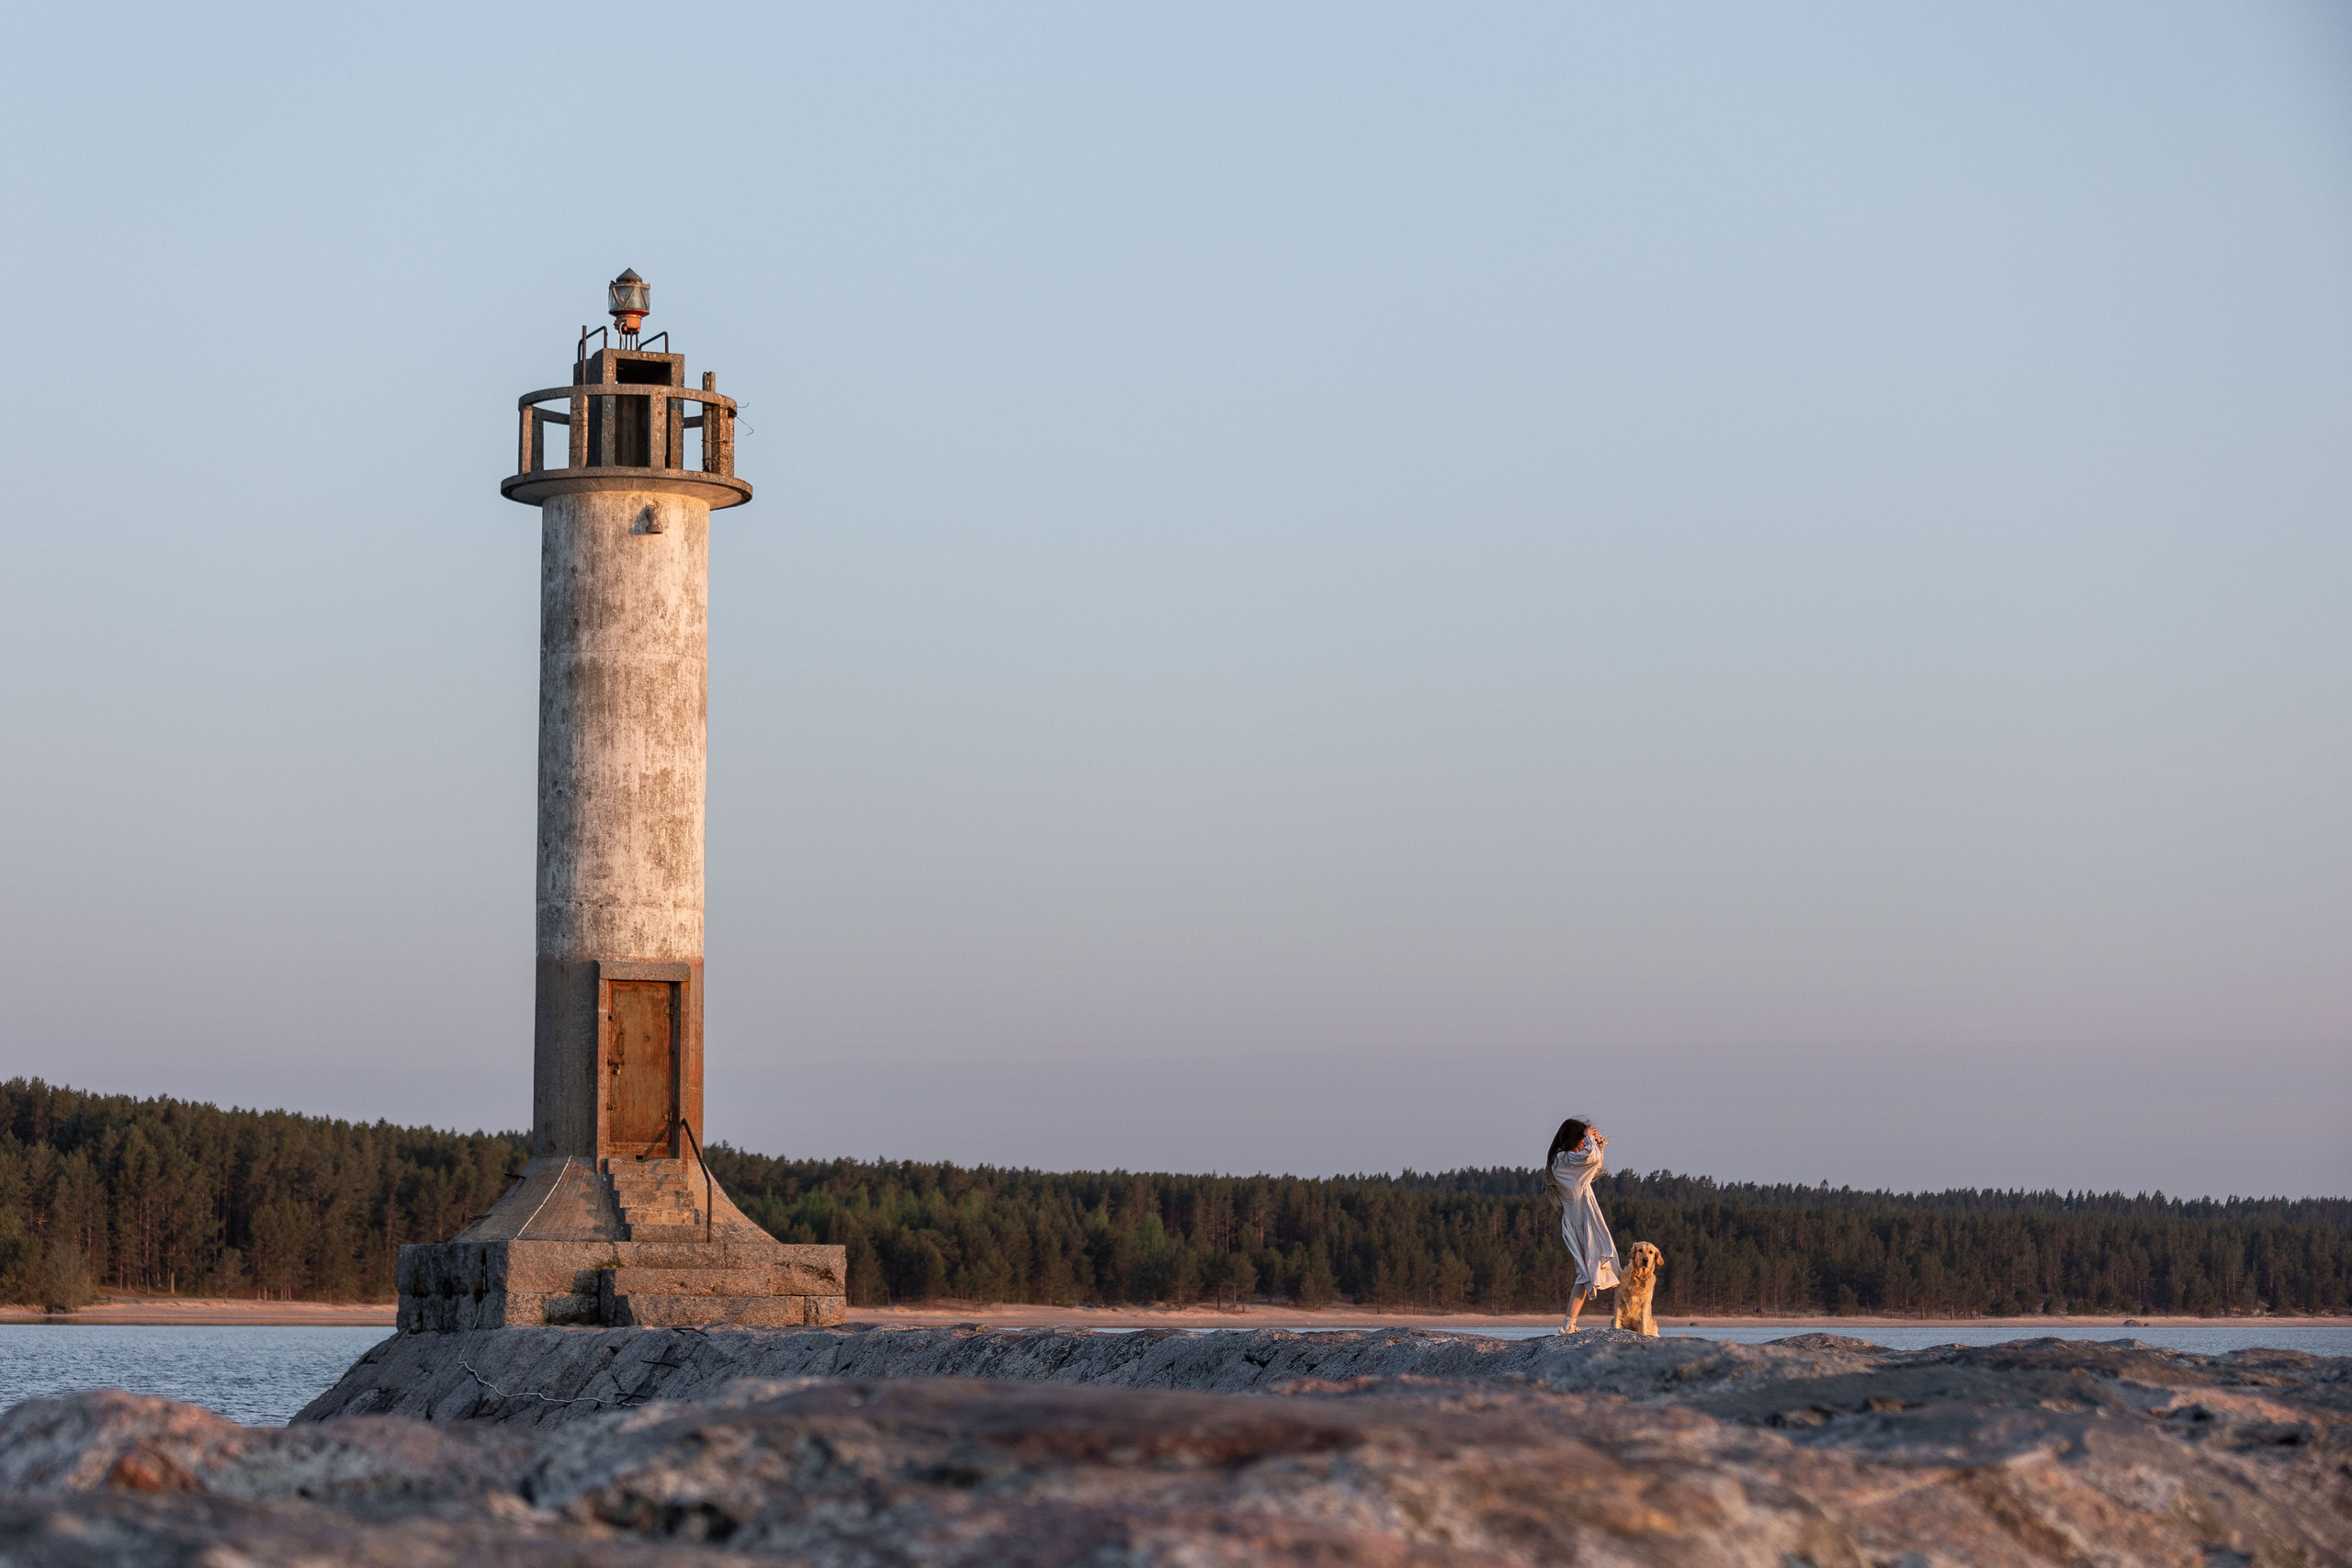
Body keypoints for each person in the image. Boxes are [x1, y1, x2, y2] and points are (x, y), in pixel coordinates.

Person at [1546, 1116, 1620, 1332]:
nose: (1582, 1144)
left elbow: (1593, 1164)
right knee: (1585, 1271)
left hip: (1584, 1218)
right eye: (1580, 1139)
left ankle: (1570, 1323)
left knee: (1588, 1271)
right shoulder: (1562, 1159)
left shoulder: (1565, 1159)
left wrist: (1595, 1143)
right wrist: (1591, 1141)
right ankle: (1568, 1325)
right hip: (1579, 1221)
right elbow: (1591, 1159)